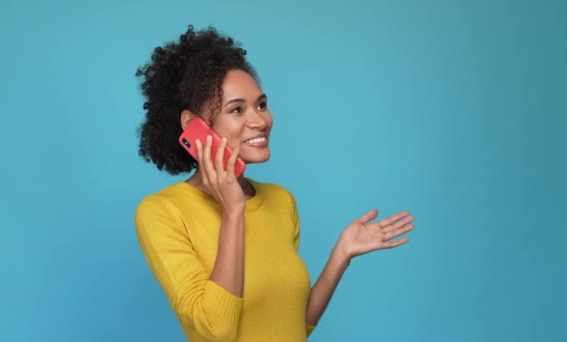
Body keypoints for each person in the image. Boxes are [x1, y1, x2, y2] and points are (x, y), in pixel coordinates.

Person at [134, 25, 414, 341]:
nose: (260, 120)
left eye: (261, 105)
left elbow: (294, 324)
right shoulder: (162, 212)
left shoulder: (281, 202)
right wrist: (233, 211)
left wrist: (341, 255)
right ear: (193, 125)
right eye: (237, 109)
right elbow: (216, 330)